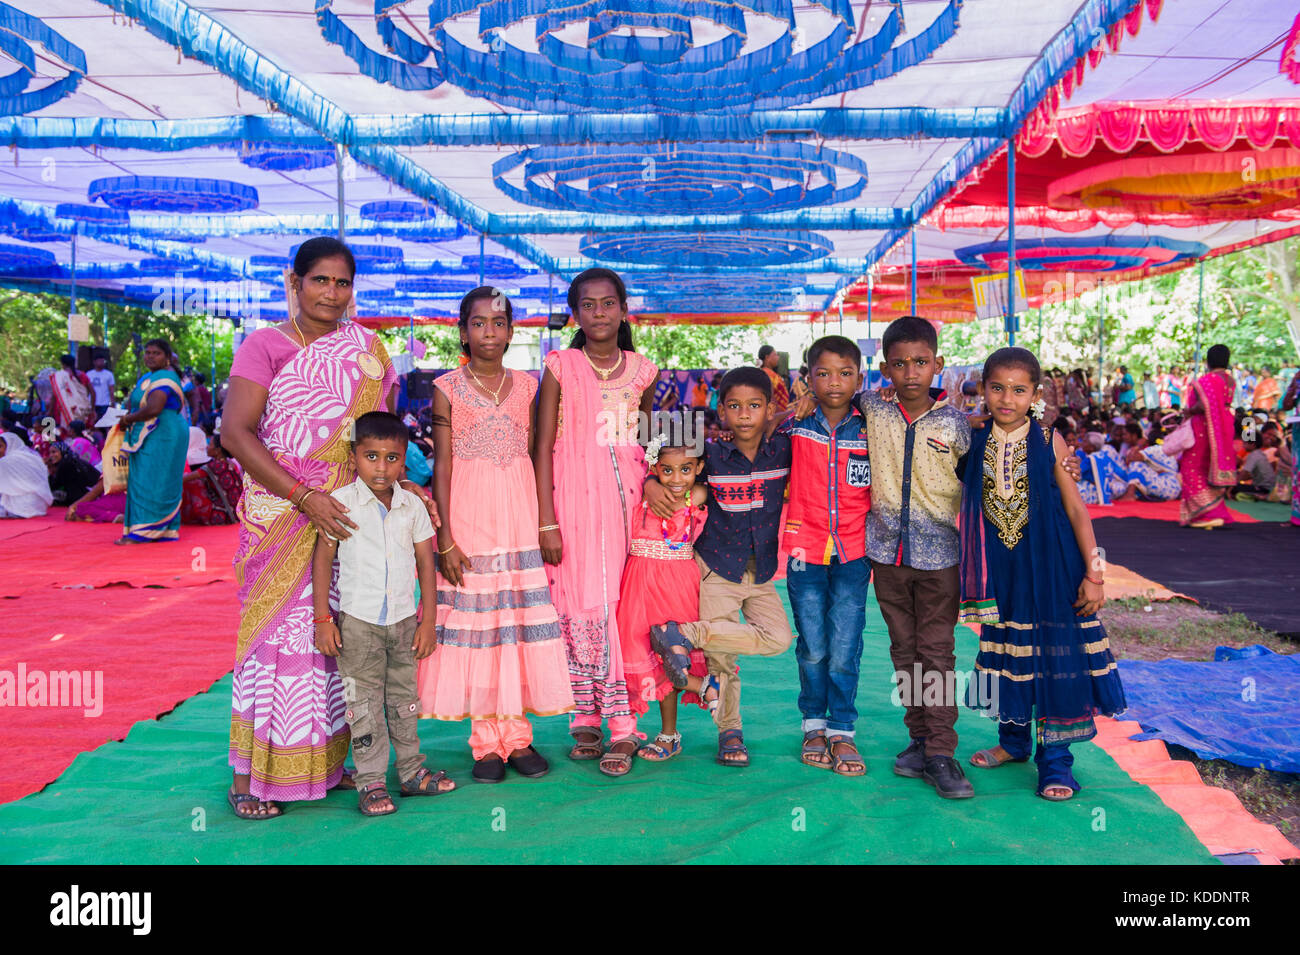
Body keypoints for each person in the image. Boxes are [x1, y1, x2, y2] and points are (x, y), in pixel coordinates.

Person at [220, 237, 430, 820]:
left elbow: (380, 433)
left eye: (342, 283)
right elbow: (236, 433)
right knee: (278, 640)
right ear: (295, 282)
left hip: (350, 514)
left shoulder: (367, 349)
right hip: (282, 509)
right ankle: (253, 778)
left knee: (340, 635)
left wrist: (401, 482)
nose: (331, 294)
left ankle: (331, 764)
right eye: (320, 281)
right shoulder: (264, 346)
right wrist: (303, 495)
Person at [418, 288, 573, 783]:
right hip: (469, 514)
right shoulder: (446, 387)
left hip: (519, 513)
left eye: (499, 323)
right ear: (463, 331)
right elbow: (441, 464)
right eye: (479, 323)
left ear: (511, 331)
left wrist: (546, 520)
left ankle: (518, 737)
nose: (490, 332)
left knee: (516, 624)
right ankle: (486, 744)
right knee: (481, 629)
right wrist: (444, 536)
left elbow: (540, 452)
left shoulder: (529, 386)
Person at [960, 347, 1126, 800]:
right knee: (1010, 651)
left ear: (1035, 395)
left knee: (1054, 659)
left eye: (1018, 390)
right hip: (1003, 567)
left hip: (1053, 567)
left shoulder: (1050, 439)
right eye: (997, 388)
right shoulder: (973, 440)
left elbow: (1077, 510)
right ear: (982, 389)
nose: (1006, 398)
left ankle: (1056, 762)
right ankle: (1013, 743)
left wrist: (1096, 573)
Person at [534, 268, 657, 777]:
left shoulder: (644, 370)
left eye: (609, 304)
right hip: (570, 499)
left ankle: (624, 725)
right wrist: (545, 521)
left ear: (624, 310)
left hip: (624, 502)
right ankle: (585, 714)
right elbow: (540, 445)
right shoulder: (560, 366)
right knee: (576, 602)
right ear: (576, 313)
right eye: (589, 305)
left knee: (616, 606)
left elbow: (648, 444)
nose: (600, 313)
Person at [643, 366, 794, 768]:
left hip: (761, 571)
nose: (745, 415)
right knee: (722, 661)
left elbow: (806, 418)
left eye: (755, 406)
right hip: (716, 568)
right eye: (734, 407)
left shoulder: (783, 449)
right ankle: (730, 731)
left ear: (769, 409)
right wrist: (649, 481)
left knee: (779, 638)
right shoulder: (711, 451)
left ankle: (685, 634)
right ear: (721, 411)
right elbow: (657, 445)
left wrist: (791, 411)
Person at [850, 317, 973, 798]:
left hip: (940, 557)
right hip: (886, 556)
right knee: (904, 651)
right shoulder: (872, 410)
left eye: (921, 363)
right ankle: (919, 740)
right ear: (884, 370)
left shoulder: (956, 424)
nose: (911, 373)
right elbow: (831, 393)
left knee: (936, 654)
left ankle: (942, 752)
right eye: (899, 365)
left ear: (938, 365)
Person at [311, 411, 455, 815]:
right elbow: (323, 560)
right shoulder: (341, 504)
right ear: (354, 456)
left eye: (392, 458)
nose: (381, 467)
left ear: (405, 458)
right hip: (358, 624)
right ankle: (371, 782)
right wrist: (323, 619)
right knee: (363, 703)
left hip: (405, 620)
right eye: (371, 456)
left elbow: (427, 563)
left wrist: (428, 620)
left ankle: (411, 772)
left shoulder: (412, 506)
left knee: (405, 699)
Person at [784, 336, 872, 777]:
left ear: (861, 376)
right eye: (823, 373)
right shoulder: (795, 425)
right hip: (804, 551)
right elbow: (749, 439)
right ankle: (813, 725)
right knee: (814, 645)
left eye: (845, 373)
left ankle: (842, 729)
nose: (834, 382)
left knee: (844, 644)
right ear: (808, 378)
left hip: (855, 552)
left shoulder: (873, 426)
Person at [617, 438, 714, 764]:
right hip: (639, 583)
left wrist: (653, 485)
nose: (675, 478)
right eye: (667, 470)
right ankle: (704, 687)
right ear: (654, 467)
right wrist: (647, 483)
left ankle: (669, 734)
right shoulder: (643, 491)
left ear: (698, 469)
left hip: (677, 583)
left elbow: (691, 495)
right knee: (639, 652)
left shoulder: (695, 495)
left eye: (685, 470)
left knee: (672, 653)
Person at [116, 338, 188, 543]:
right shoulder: (149, 377)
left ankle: (145, 531)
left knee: (154, 478)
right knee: (146, 477)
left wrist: (127, 419)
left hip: (164, 432)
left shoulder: (166, 377)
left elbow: (155, 408)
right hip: (151, 431)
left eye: (156, 353)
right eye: (147, 353)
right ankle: (162, 530)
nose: (150, 356)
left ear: (167, 357)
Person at [1179, 345, 1237, 529]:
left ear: (1208, 361)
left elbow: (1203, 406)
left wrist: (1188, 410)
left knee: (1192, 467)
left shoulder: (1207, 380)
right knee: (1209, 467)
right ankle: (1215, 512)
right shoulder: (1230, 380)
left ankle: (1207, 514)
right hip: (1223, 425)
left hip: (1204, 428)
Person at [180, 429, 243, 526]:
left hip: (224, 515)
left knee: (192, 484)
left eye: (210, 445)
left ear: (217, 451)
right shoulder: (230, 463)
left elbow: (184, 479)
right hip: (238, 512)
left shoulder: (214, 466)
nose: (207, 447)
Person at [0, 431, 53, 518]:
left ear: (10, 445)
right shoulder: (31, 456)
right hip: (40, 506)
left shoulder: (7, 461)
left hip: (20, 507)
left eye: (0, 446)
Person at [45, 440, 100, 507]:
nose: (51, 455)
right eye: (50, 453)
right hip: (92, 494)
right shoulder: (74, 459)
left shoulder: (65, 463)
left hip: (81, 498)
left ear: (62, 451)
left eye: (54, 452)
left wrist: (48, 469)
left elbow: (53, 486)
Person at [51, 354, 94, 431]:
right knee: (81, 430)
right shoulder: (82, 375)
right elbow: (93, 393)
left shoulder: (61, 377)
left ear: (63, 364)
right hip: (83, 408)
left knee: (68, 431)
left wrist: (50, 411)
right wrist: (92, 409)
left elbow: (55, 395)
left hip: (68, 409)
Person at [1284, 373, 1300, 526]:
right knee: (1298, 472)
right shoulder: (1297, 378)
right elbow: (1286, 405)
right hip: (1298, 430)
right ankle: (1297, 517)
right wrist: (1293, 388)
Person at [758, 344, 790, 414]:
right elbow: (769, 399)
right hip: (776, 415)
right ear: (767, 357)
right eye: (775, 354)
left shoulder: (771, 373)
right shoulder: (766, 374)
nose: (778, 357)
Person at [86, 354, 116, 421]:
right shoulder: (89, 374)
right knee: (92, 422)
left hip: (104, 404)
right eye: (99, 361)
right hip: (92, 404)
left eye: (102, 361)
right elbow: (86, 390)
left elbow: (111, 390)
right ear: (94, 362)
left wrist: (113, 403)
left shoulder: (109, 374)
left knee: (104, 423)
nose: (101, 363)